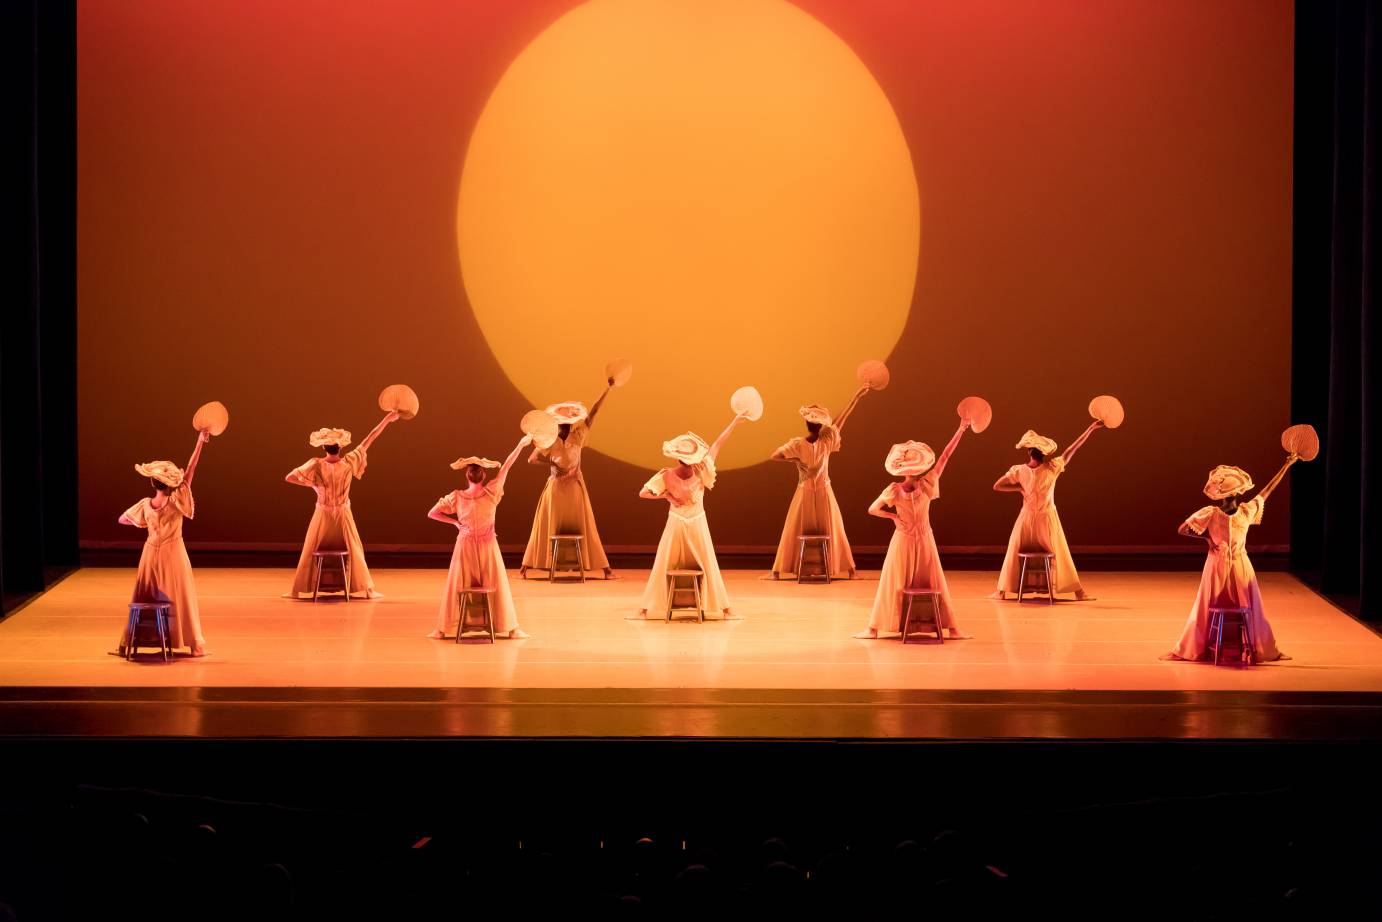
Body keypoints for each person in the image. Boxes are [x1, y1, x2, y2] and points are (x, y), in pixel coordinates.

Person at [1163, 458, 1296, 662]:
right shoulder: (1237, 512)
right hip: (1235, 564)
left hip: (1223, 564)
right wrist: (1285, 466)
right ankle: (1259, 648)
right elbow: (1267, 491)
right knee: (1247, 606)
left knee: (1213, 605)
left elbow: (1183, 529)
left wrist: (1207, 538)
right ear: (1237, 493)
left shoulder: (1222, 512)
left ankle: (1200, 648)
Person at [854, 421, 973, 639]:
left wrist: (961, 429)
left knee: (924, 581)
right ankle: (874, 628)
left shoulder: (923, 484)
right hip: (909, 539)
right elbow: (945, 456)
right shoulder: (908, 487)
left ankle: (951, 628)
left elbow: (873, 509)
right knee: (897, 580)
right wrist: (893, 517)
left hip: (920, 538)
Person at [632, 412, 751, 619]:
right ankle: (725, 610)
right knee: (692, 562)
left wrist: (667, 496)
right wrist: (734, 422)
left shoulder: (681, 472)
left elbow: (643, 493)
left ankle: (644, 610)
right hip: (687, 523)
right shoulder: (691, 471)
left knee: (676, 562)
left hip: (686, 523)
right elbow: (718, 444)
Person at [283, 411, 399, 600]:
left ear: (324, 447)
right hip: (342, 513)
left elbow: (290, 477)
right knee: (354, 547)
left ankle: (296, 590)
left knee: (311, 547)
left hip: (323, 514)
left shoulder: (316, 464)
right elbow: (370, 437)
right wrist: (387, 419)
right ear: (340, 447)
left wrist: (313, 485)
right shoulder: (348, 462)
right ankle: (368, 591)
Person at [427, 434, 533, 639]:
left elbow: (432, 513)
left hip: (465, 545)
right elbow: (507, 466)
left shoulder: (457, 496)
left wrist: (454, 523)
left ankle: (442, 629)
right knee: (497, 583)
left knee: (457, 583)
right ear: (483, 476)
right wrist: (521, 444)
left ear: (467, 476)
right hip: (487, 545)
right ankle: (512, 629)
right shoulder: (492, 492)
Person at [117, 429, 212, 656]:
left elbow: (122, 519)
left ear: (153, 483)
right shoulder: (177, 501)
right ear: (171, 485)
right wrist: (200, 442)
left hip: (150, 554)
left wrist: (144, 523)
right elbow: (191, 470)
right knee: (181, 595)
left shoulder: (146, 504)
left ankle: (130, 642)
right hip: (173, 553)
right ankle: (194, 645)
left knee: (146, 594)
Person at [989, 421, 1103, 601]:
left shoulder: (1020, 470)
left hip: (1027, 519)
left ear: (1029, 452)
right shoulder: (1052, 468)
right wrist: (1090, 429)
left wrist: (1019, 488)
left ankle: (1001, 591)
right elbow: (1071, 450)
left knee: (1014, 550)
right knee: (1060, 552)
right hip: (1046, 518)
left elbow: (997, 486)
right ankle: (1078, 592)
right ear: (1043, 453)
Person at [768, 385, 871, 580]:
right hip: (807, 489)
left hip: (822, 489)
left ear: (808, 424)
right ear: (819, 426)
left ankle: (849, 570)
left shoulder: (824, 441)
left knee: (832, 527)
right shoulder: (802, 443)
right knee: (797, 527)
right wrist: (795, 460)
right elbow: (842, 419)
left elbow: (775, 455)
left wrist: (856, 397)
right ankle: (849, 571)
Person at [519, 379, 616, 580]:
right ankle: (525, 567)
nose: (564, 428)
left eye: (567, 425)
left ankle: (605, 569)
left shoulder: (578, 436)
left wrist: (606, 389)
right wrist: (552, 464)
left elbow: (593, 413)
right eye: (561, 425)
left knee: (585, 525)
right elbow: (531, 459)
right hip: (555, 488)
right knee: (546, 524)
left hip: (574, 487)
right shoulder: (549, 439)